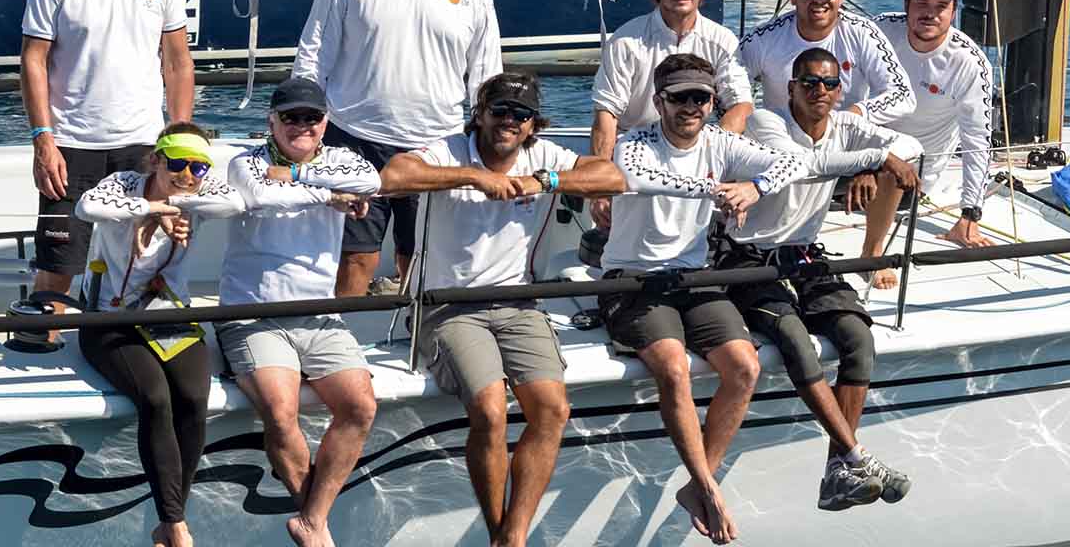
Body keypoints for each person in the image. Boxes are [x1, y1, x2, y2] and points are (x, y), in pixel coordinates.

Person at [380, 72, 624, 547]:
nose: (510, 122)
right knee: (491, 411)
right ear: (480, 114)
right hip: (448, 306)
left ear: (533, 124)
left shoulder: (543, 155)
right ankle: (498, 533)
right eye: (500, 112)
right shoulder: (449, 149)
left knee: (553, 409)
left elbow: (612, 177)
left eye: (521, 115)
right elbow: (395, 175)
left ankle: (514, 534)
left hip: (520, 303)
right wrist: (475, 177)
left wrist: (545, 180)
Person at [598, 54, 807, 545]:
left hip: (693, 278)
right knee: (673, 366)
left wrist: (755, 187)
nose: (691, 107)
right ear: (659, 101)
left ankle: (697, 485)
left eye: (701, 98)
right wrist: (718, 190)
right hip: (632, 279)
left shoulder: (719, 139)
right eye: (679, 98)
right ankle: (712, 490)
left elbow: (795, 159)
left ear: (713, 103)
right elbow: (642, 178)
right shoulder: (634, 143)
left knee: (745, 366)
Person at [720, 47, 920, 512]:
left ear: (839, 90)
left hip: (805, 255)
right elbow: (801, 165)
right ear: (790, 88)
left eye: (830, 84)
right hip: (749, 256)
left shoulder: (847, 127)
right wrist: (875, 159)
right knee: (794, 337)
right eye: (809, 83)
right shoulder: (766, 124)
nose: (820, 92)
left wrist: (878, 160)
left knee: (857, 336)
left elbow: (909, 148)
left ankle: (839, 471)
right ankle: (855, 456)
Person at [293, 0, 502, 297]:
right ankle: (339, 343)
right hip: (354, 139)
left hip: (437, 144)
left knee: (421, 254)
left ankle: (411, 334)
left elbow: (486, 70)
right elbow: (315, 49)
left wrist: (490, 143)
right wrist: (301, 123)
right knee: (355, 256)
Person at [22, 0, 194, 326]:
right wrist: (44, 140)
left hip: (142, 145)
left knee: (145, 259)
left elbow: (177, 63)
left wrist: (180, 143)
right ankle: (45, 356)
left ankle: (132, 353)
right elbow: (33, 60)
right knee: (57, 269)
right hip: (70, 146)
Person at [216, 78, 382, 547]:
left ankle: (312, 519)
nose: (302, 126)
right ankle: (316, 526)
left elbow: (372, 181)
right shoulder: (246, 162)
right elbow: (262, 195)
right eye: (291, 117)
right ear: (271, 121)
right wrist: (330, 195)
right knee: (281, 409)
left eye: (311, 117)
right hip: (253, 315)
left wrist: (300, 179)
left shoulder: (343, 159)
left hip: (317, 315)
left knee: (361, 406)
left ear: (326, 122)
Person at [75, 122, 244, 547]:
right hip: (106, 317)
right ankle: (175, 524)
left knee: (193, 397)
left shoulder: (197, 192)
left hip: (166, 312)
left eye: (199, 167)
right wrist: (153, 211)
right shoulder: (124, 183)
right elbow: (86, 207)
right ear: (155, 159)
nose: (188, 175)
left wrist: (179, 204)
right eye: (178, 164)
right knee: (155, 398)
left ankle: (171, 521)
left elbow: (237, 203)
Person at [737, 0, 916, 283]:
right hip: (785, 153)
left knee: (897, 159)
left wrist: (854, 123)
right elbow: (730, 95)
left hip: (848, 147)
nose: (819, 0)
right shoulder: (763, 39)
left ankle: (871, 254)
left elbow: (904, 95)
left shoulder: (863, 32)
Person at [589, 0, 753, 228]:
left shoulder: (723, 40)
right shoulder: (625, 41)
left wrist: (713, 156)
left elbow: (741, 107)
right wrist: (600, 187)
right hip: (634, 152)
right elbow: (606, 115)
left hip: (696, 150)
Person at [870, 0, 996, 283]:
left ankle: (872, 253)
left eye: (941, 6)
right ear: (906, 6)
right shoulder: (879, 30)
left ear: (954, 11)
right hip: (859, 156)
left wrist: (969, 214)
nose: (931, 14)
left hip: (909, 177)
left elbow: (977, 141)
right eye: (922, 4)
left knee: (897, 158)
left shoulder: (969, 63)